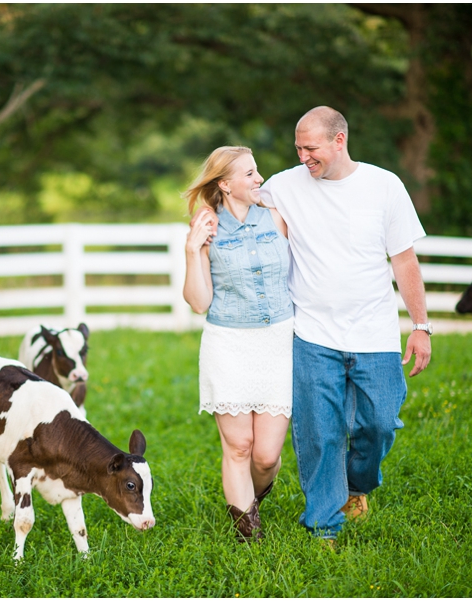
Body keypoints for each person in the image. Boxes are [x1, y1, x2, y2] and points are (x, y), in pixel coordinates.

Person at [261, 106, 432, 542]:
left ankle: (357, 485)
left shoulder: (384, 186)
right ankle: (324, 524)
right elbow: (243, 216)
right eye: (297, 147)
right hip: (312, 333)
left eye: (311, 147)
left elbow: (405, 260)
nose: (303, 156)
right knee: (320, 432)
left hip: (375, 332)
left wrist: (420, 325)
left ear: (340, 140)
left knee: (380, 424)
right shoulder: (282, 187)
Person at [183, 146, 294, 542]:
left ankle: (253, 499)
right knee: (239, 446)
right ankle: (248, 534)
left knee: (266, 455)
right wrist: (192, 250)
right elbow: (199, 302)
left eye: (257, 171)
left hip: (278, 342)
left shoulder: (279, 216)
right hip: (228, 343)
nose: (259, 178)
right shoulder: (207, 227)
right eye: (249, 173)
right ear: (225, 184)